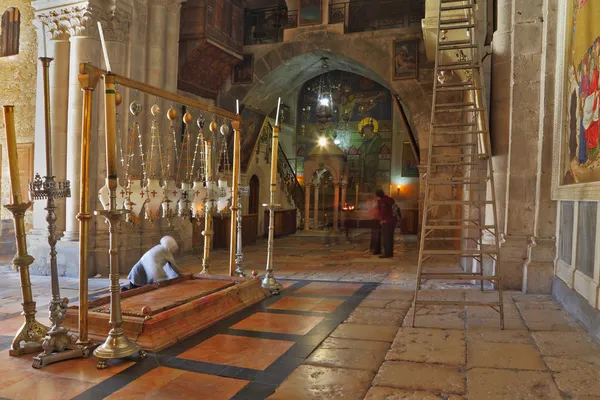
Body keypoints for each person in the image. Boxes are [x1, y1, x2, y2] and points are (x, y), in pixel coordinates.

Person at [376, 189, 396, 258]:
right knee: (390, 238)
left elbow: (382, 211)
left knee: (386, 238)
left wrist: (381, 219)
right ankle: (390, 253)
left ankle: (386, 254)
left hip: (386, 221)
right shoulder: (388, 199)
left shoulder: (382, 201)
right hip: (391, 221)